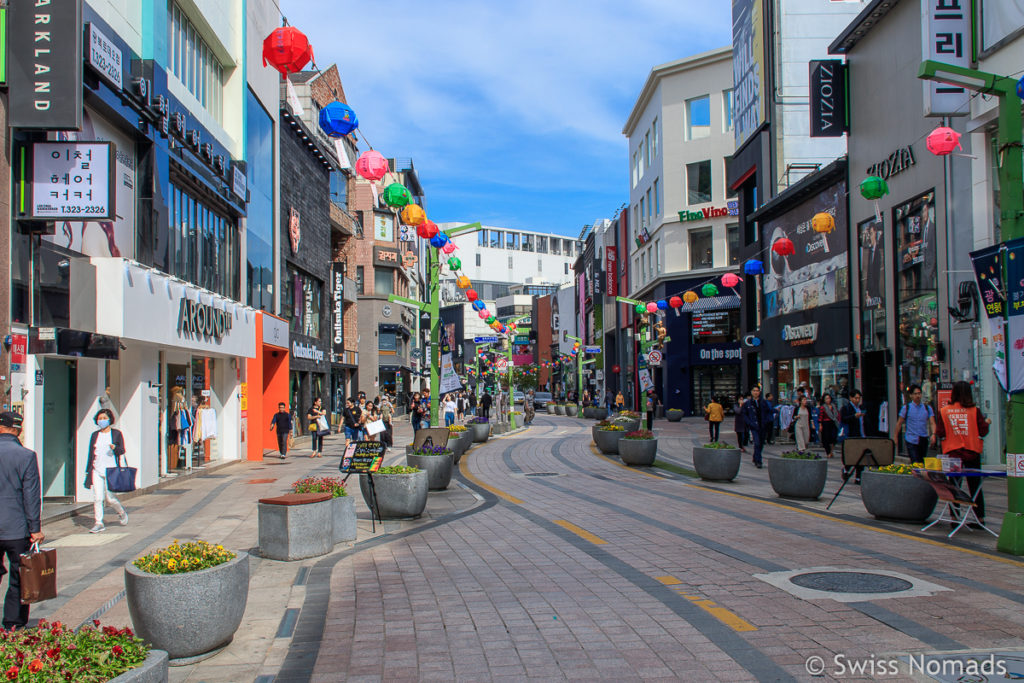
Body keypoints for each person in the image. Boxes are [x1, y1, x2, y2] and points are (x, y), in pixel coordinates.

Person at [0, 412, 44, 630]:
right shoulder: (26, 456)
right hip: (17, 528)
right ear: (19, 429)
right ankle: (13, 623)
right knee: (19, 576)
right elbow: (31, 495)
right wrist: (35, 528)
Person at [935, 381, 991, 524]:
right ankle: (980, 518)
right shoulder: (975, 411)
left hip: (953, 453)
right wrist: (987, 422)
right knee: (975, 486)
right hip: (972, 452)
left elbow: (940, 432)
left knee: (954, 486)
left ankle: (954, 517)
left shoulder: (944, 411)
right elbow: (983, 431)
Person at [83, 408, 129, 533]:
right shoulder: (95, 435)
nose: (102, 421)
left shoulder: (116, 434)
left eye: (104, 418)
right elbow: (91, 453)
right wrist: (88, 470)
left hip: (111, 470)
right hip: (96, 469)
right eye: (99, 419)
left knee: (110, 498)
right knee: (98, 498)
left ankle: (121, 512)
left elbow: (122, 451)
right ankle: (99, 522)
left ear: (110, 419)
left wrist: (115, 447)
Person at [894, 384, 936, 462]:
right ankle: (916, 472)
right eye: (915, 394)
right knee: (914, 461)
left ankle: (919, 473)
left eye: (919, 393)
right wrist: (895, 437)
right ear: (911, 396)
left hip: (923, 438)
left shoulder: (927, 408)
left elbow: (932, 422)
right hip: (911, 439)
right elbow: (899, 423)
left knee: (921, 461)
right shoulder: (906, 408)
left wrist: (933, 434)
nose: (918, 396)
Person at [741, 387, 772, 468]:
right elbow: (744, 414)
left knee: (761, 443)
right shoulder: (748, 403)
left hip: (763, 425)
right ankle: (758, 461)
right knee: (757, 443)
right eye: (754, 391)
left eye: (757, 391)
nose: (756, 392)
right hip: (754, 426)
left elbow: (769, 411)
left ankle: (755, 456)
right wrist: (749, 423)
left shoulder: (764, 402)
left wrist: (767, 421)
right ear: (751, 392)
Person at [840, 389, 867, 483]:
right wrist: (854, 416)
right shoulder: (846, 408)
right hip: (851, 436)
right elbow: (843, 419)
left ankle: (858, 477)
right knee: (853, 456)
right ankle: (846, 469)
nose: (857, 400)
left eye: (859, 398)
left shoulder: (860, 408)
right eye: (856, 398)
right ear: (851, 398)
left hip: (860, 435)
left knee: (861, 457)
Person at [819, 394, 840, 458]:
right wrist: (820, 425)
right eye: (826, 399)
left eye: (829, 398)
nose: (828, 400)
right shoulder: (823, 407)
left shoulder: (833, 406)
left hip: (833, 423)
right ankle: (828, 452)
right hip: (826, 423)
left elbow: (837, 414)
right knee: (826, 438)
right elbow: (820, 417)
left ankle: (831, 451)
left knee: (834, 437)